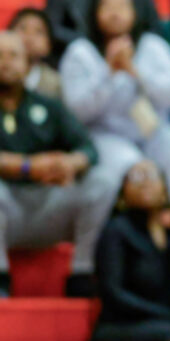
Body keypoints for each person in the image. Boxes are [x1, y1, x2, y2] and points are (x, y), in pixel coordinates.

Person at [60, 0, 170, 210]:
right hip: (105, 137)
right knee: (138, 168)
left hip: (153, 132)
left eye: (122, 5)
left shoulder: (152, 46)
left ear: (135, 13)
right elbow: (76, 112)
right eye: (106, 6)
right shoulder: (81, 52)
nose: (115, 12)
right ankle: (141, 233)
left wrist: (136, 72)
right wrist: (109, 73)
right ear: (94, 13)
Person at [0, 31, 118, 298]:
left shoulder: (49, 106)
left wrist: (69, 163)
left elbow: (89, 149)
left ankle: (82, 273)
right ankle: (1, 279)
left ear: (28, 64)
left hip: (47, 205)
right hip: (6, 207)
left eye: (13, 56)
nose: (5, 62)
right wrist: (28, 166)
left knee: (102, 180)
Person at [90, 159, 170, 341]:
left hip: (161, 323)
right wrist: (165, 315)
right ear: (122, 195)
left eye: (151, 176)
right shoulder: (116, 231)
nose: (144, 183)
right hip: (118, 328)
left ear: (165, 191)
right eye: (136, 178)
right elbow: (113, 294)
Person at [8, 8, 62, 99]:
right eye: (23, 28)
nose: (29, 37)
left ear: (48, 46)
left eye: (39, 31)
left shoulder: (55, 84)